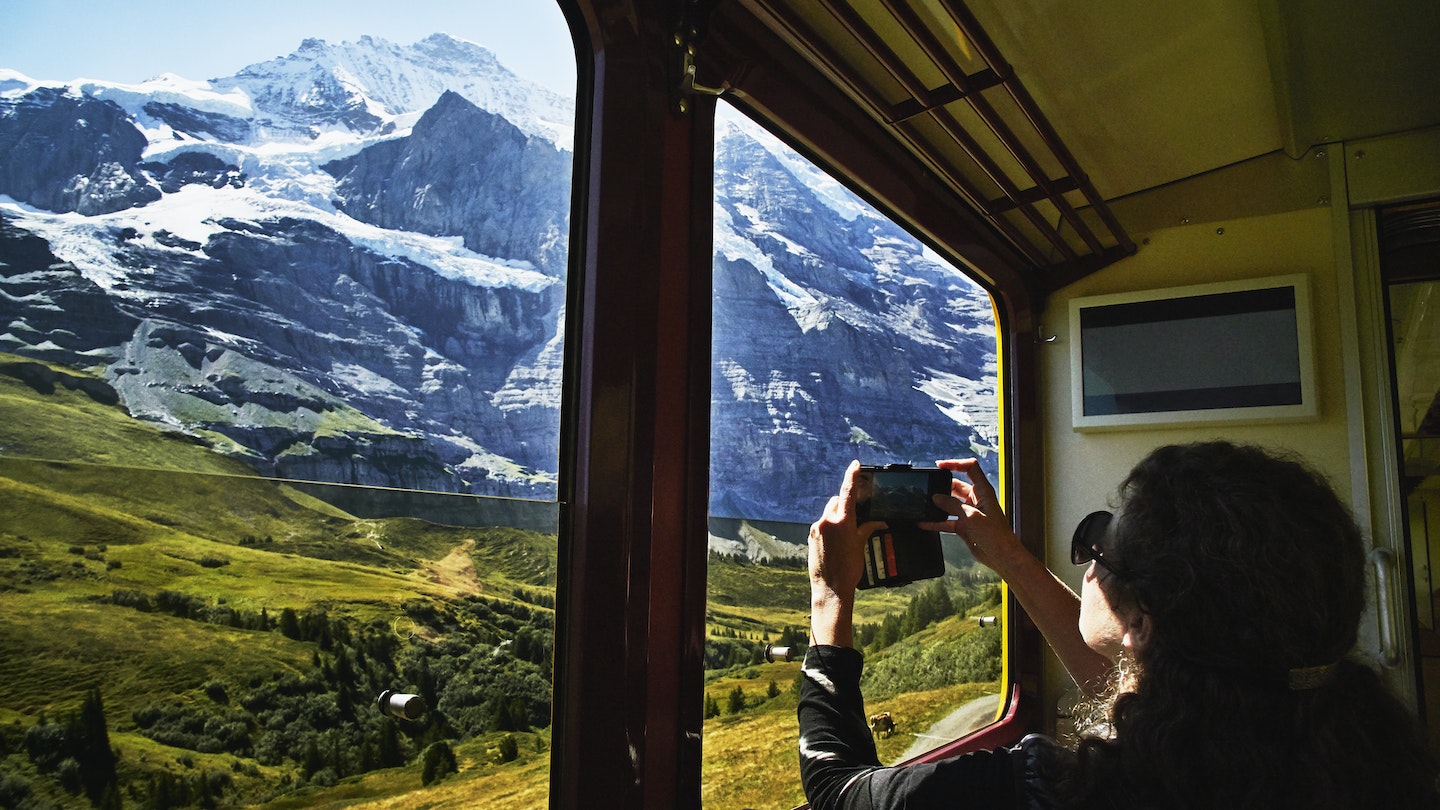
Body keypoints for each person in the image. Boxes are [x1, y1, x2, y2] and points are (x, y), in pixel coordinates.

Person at [800, 441, 1440, 809]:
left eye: (1103, 544)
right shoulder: (1345, 750)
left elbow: (835, 793)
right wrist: (1006, 554)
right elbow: (1137, 678)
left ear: (1143, 620)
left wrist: (831, 597)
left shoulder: (1057, 791)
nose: (1088, 560)